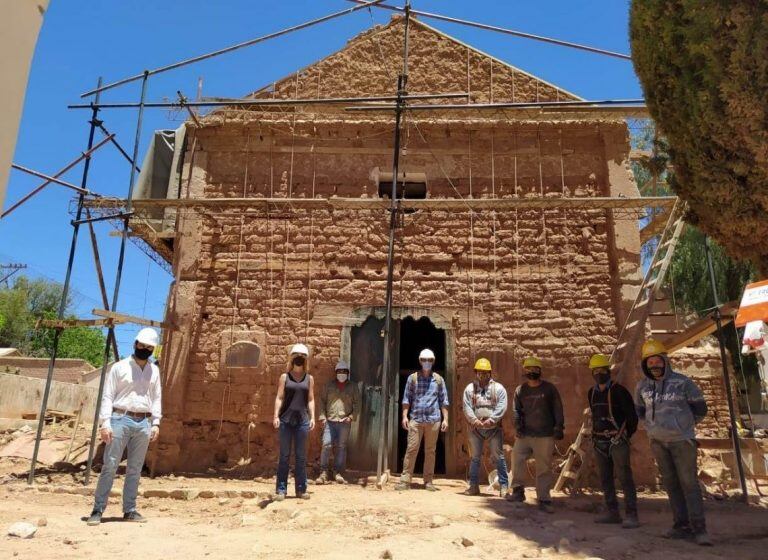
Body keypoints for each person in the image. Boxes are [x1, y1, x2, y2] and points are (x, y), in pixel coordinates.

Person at [635, 339, 711, 546]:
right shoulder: (642, 386)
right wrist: (652, 428)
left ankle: (699, 528)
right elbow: (639, 411)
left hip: (682, 441)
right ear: (645, 365)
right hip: (658, 442)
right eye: (649, 363)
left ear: (665, 361)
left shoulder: (683, 382)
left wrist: (683, 426)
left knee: (689, 484)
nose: (654, 366)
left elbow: (700, 409)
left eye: (657, 361)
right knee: (671, 484)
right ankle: (681, 526)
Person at [86, 328, 162, 526]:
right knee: (110, 465)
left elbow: (156, 397)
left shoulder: (154, 371)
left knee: (135, 468)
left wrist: (156, 422)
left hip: (144, 422)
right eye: (142, 345)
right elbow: (108, 395)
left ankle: (129, 510)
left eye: (149, 347)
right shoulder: (119, 367)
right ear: (135, 344)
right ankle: (98, 509)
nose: (144, 349)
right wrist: (105, 422)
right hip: (120, 418)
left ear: (153, 349)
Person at [587, 353, 639, 528]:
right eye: (596, 371)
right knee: (605, 478)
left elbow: (631, 418)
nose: (599, 373)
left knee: (624, 477)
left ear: (608, 371)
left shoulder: (619, 391)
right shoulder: (592, 393)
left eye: (602, 370)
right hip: (599, 442)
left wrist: (624, 436)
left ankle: (632, 514)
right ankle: (612, 512)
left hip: (617, 441)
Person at [508, 356, 564, 513]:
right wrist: (518, 426)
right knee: (516, 457)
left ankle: (544, 498)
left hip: (545, 434)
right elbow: (516, 410)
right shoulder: (521, 390)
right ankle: (518, 491)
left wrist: (559, 426)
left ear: (540, 371)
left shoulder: (549, 389)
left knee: (543, 467)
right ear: (525, 372)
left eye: (535, 370)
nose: (532, 372)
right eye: (529, 370)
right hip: (525, 434)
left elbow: (557, 408)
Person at [395, 348, 449, 491]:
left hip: (433, 420)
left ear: (433, 362)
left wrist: (445, 419)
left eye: (429, 360)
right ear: (420, 361)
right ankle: (405, 480)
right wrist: (404, 416)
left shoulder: (438, 380)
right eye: (424, 360)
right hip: (416, 419)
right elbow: (406, 399)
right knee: (412, 449)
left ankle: (428, 481)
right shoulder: (412, 379)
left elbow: (444, 401)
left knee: (430, 451)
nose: (427, 362)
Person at [273, 343, 316, 500]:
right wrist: (275, 416)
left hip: (302, 421)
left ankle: (301, 489)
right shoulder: (284, 377)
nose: (299, 359)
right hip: (286, 420)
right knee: (284, 455)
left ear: (305, 359)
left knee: (301, 456)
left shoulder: (309, 379)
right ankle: (281, 489)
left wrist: (312, 417)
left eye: (302, 357)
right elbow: (279, 397)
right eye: (296, 356)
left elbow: (311, 399)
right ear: (291, 358)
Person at [462, 357, 509, 497]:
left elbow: (502, 406)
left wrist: (492, 420)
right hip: (475, 429)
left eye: (485, 372)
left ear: (490, 373)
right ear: (476, 373)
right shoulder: (470, 389)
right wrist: (475, 420)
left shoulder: (498, 388)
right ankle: (473, 486)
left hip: (494, 429)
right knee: (475, 458)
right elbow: (466, 406)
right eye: (479, 372)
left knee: (499, 457)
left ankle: (504, 487)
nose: (482, 375)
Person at [316, 360, 359, 485]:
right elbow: (322, 401)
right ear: (336, 373)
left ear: (348, 373)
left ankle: (337, 472)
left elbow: (357, 404)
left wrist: (351, 417)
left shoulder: (353, 387)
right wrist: (322, 417)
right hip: (330, 421)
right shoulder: (328, 386)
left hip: (344, 422)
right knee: (326, 444)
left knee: (341, 447)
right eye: (339, 371)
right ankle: (323, 472)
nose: (342, 374)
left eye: (344, 372)